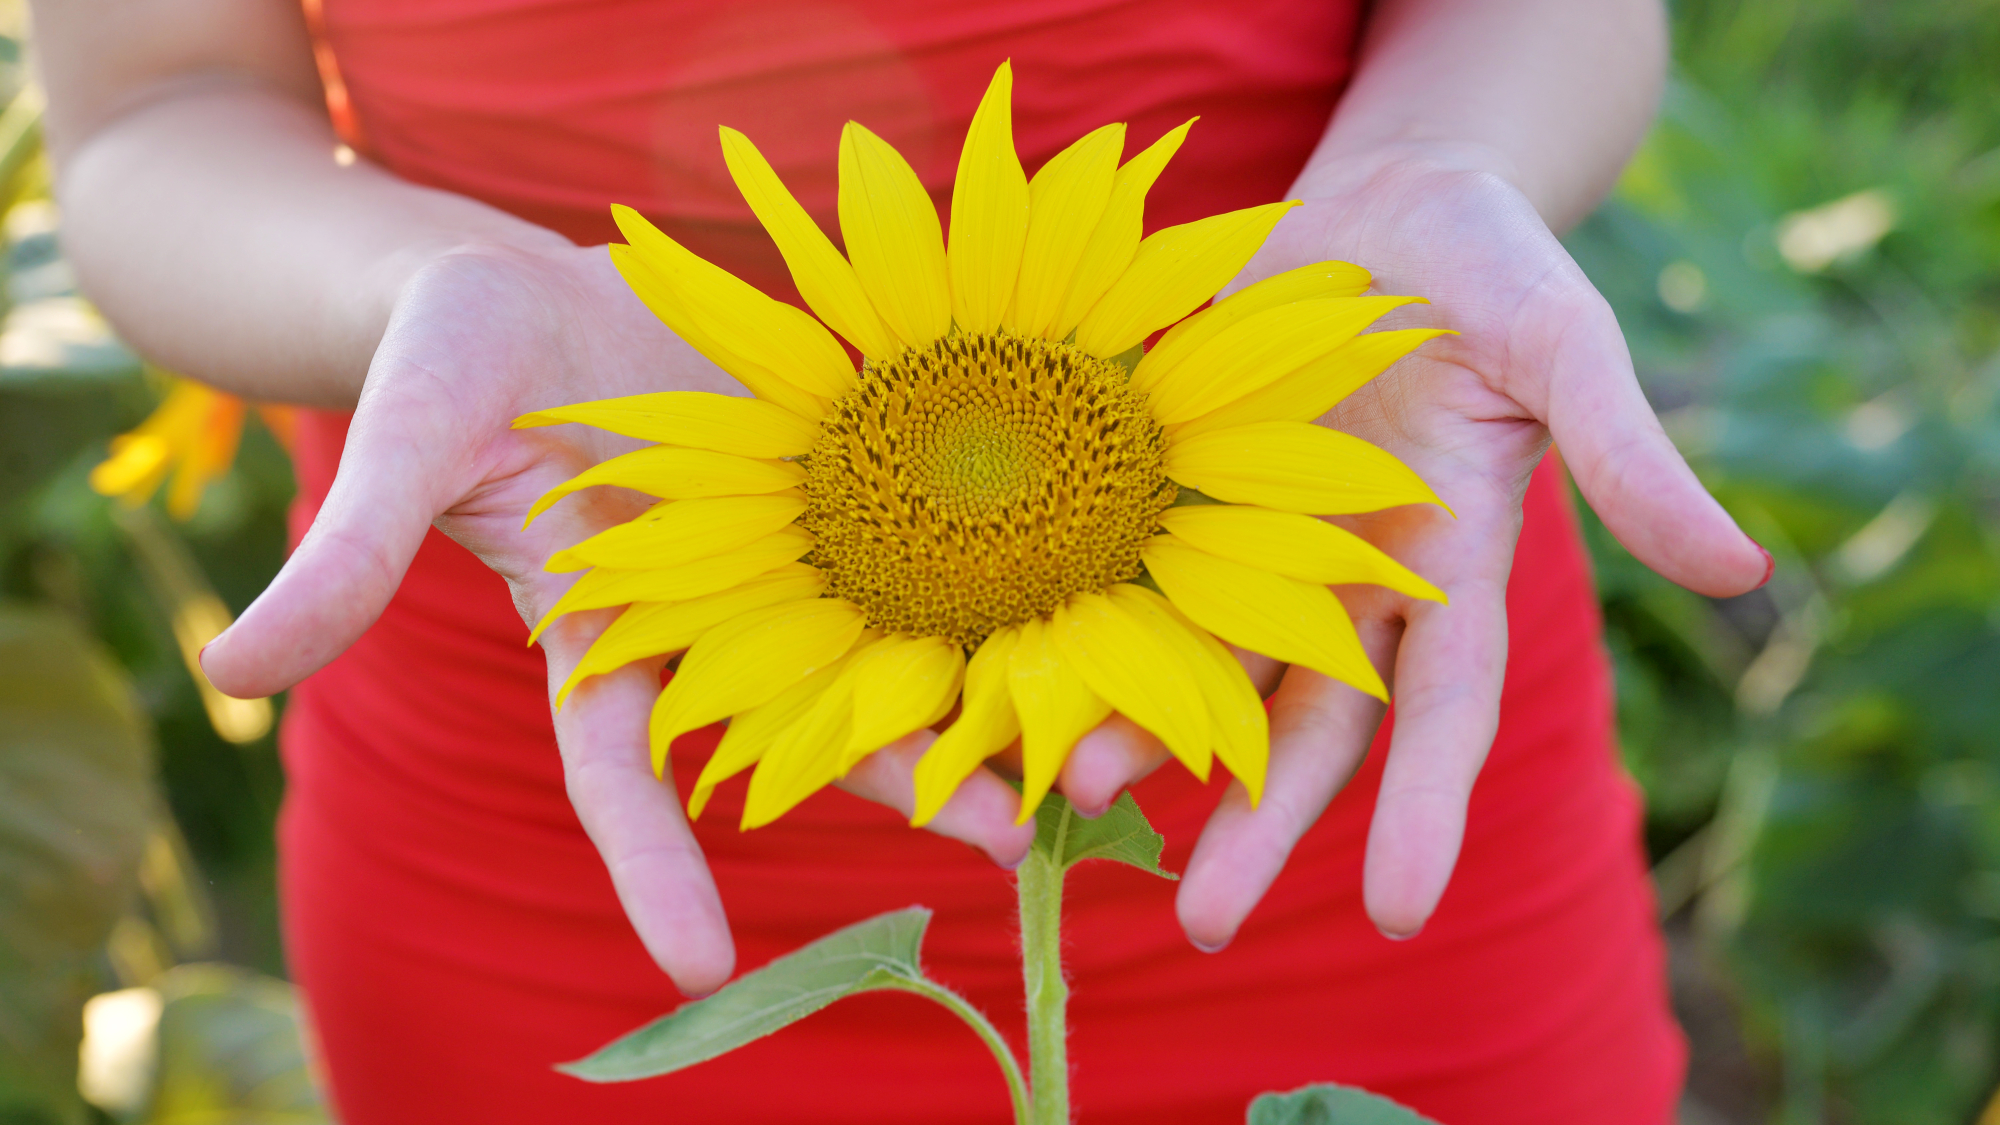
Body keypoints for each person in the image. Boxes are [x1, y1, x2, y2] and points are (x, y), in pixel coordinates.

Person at [34, 0, 1771, 1120]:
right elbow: (156, 99)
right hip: (568, 679)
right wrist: (420, 291)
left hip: (1325, 611)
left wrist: (1435, 163)